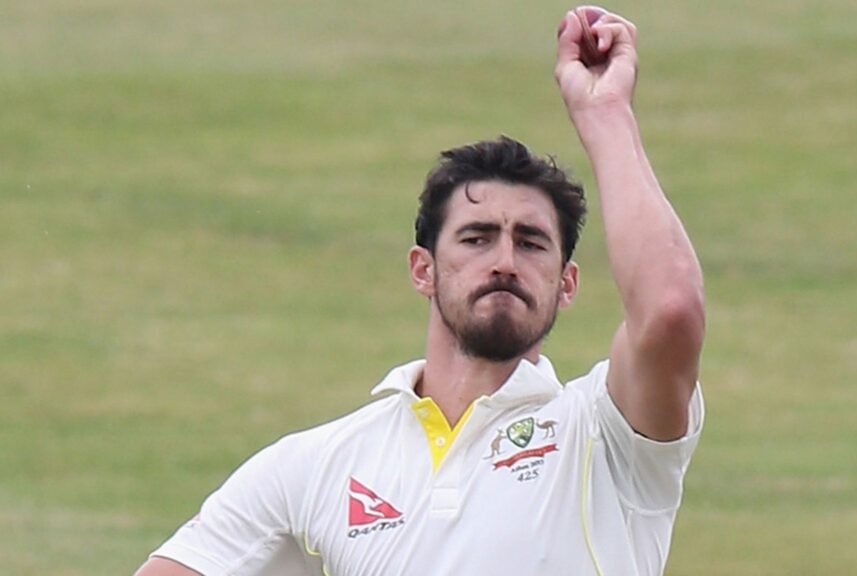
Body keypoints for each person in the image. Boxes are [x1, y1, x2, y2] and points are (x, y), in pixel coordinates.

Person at [137, 6, 705, 576]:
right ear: (422, 270)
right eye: (477, 238)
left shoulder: (605, 438)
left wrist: (604, 113)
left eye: (531, 243)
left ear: (567, 285)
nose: (505, 261)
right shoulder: (318, 464)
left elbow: (670, 311)